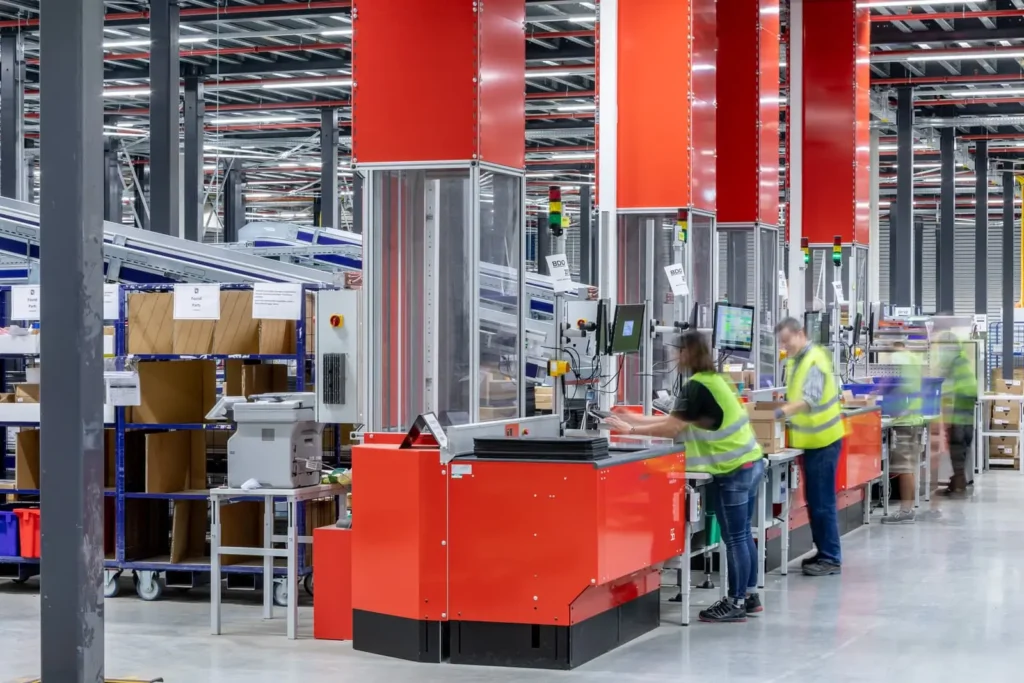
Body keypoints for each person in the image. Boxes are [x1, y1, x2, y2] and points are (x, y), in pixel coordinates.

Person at [605, 330, 764, 623]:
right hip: (749, 463)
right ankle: (750, 596)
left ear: (688, 354)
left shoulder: (695, 386)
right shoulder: (715, 380)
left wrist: (630, 431)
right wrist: (631, 418)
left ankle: (736, 602)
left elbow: (671, 430)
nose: (675, 357)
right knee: (742, 536)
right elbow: (675, 420)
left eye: (679, 351)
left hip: (733, 471)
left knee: (736, 537)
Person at [774, 317, 845, 577]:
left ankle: (831, 557)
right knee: (814, 501)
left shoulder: (814, 359)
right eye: (782, 343)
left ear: (800, 333)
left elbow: (809, 400)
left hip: (824, 441)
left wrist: (778, 413)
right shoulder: (795, 361)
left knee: (822, 501)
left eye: (787, 341)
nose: (785, 347)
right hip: (810, 442)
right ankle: (823, 551)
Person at [881, 341, 924, 524]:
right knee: (908, 467)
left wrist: (880, 391)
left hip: (904, 419)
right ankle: (907, 508)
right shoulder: (913, 358)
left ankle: (906, 510)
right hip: (913, 417)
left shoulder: (898, 358)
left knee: (904, 467)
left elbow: (895, 383)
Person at [935, 328, 978, 494]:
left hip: (958, 411)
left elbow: (947, 387)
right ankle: (958, 479)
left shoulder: (953, 362)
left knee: (956, 445)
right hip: (967, 413)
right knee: (963, 445)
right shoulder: (963, 360)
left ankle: (959, 481)